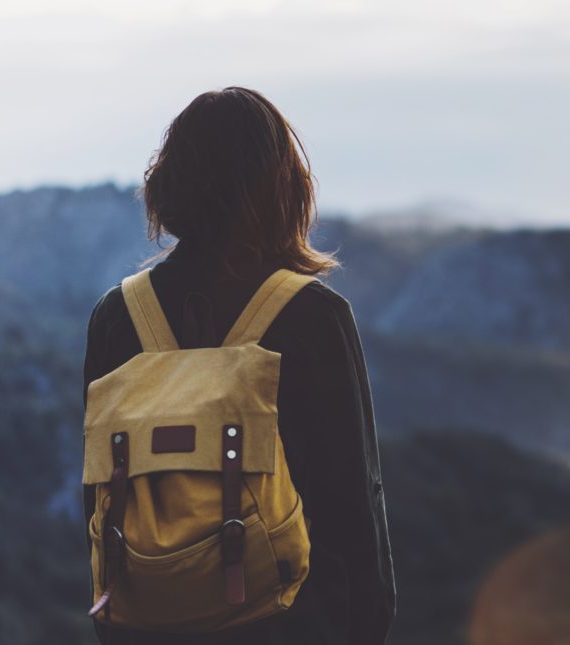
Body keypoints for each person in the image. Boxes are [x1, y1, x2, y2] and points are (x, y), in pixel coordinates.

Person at [82, 87, 396, 644]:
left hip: (147, 626)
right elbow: (353, 506)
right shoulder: (312, 315)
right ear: (285, 186)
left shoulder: (118, 316)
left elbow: (101, 499)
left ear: (167, 182)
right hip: (287, 624)